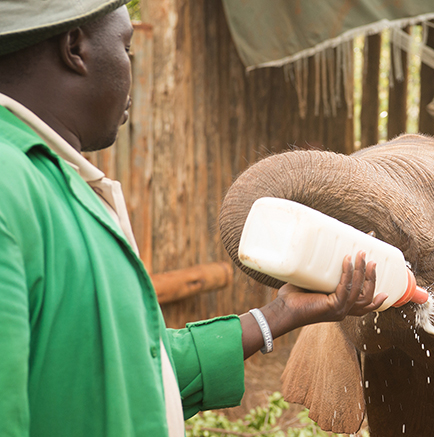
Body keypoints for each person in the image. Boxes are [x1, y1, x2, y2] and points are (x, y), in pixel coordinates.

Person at [0, 1, 387, 436]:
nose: (133, 70)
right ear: (75, 47)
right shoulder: (10, 186)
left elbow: (140, 367)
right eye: (126, 48)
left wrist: (282, 313)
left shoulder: (53, 181)